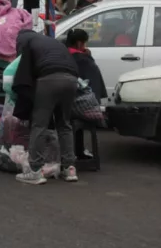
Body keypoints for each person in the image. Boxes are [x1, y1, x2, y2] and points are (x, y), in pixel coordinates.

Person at [12, 19, 81, 185]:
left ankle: (35, 170)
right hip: (72, 79)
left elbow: (24, 75)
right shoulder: (53, 42)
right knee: (64, 124)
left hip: (49, 78)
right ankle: (69, 168)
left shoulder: (28, 44)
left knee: (39, 124)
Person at [67, 28, 106, 160]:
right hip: (82, 104)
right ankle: (78, 151)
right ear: (79, 43)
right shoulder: (83, 59)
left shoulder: (64, 55)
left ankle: (76, 150)